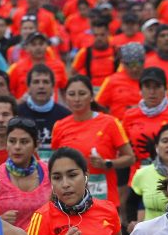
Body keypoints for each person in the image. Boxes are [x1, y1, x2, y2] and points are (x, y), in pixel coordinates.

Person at [50, 75, 135, 210]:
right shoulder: (59, 126)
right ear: (66, 98)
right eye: (72, 94)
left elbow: (130, 158)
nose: (77, 99)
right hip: (70, 199)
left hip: (104, 197)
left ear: (91, 97)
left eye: (82, 94)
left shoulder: (110, 122)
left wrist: (107, 163)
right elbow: (54, 165)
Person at [131, 123, 168, 226]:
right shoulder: (142, 174)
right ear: (156, 147)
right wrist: (135, 224)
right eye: (165, 141)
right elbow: (132, 203)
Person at [16, 64, 71, 161]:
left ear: (53, 87)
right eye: (36, 82)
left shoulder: (66, 116)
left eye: (45, 82)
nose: (41, 86)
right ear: (28, 87)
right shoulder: (16, 114)